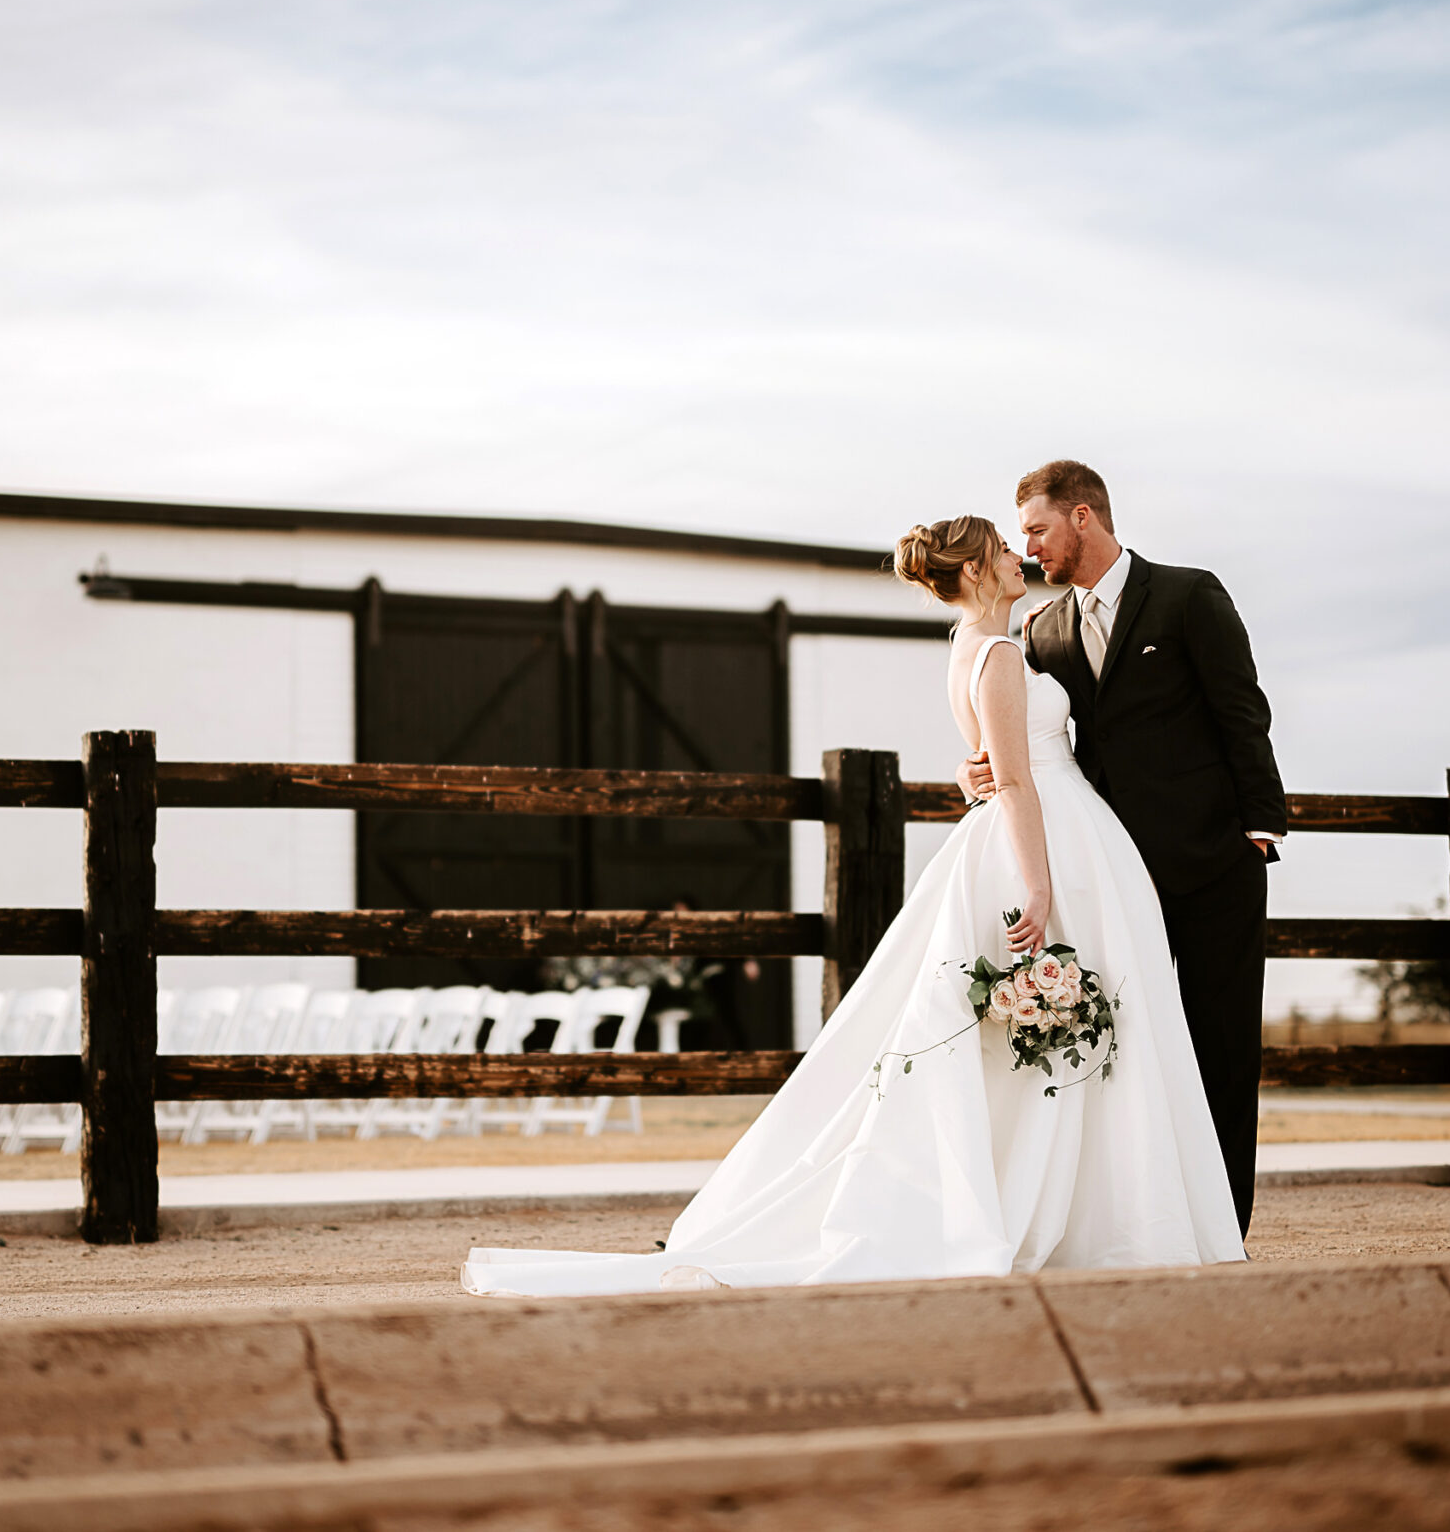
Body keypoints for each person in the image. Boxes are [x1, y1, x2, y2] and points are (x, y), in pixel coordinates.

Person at [462, 514, 1242, 1297]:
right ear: (973, 570)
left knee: (1022, 1041)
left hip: (1026, 836)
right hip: (1043, 845)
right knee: (1062, 1028)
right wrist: (1037, 886)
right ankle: (1081, 1210)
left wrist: (988, 782)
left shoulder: (967, 648)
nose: (1017, 557)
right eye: (1003, 548)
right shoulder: (1001, 652)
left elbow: (990, 762)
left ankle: (1054, 1201)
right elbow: (1013, 779)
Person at [966, 460, 1285, 1232]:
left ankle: (1222, 1226)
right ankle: (1151, 1218)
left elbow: (1242, 710)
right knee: (1134, 1048)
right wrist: (975, 762)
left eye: (1037, 529)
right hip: (1110, 873)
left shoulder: (1187, 594)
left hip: (1214, 863)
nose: (1028, 546)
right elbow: (1026, 735)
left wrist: (1260, 828)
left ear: (1083, 516)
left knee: (1220, 1047)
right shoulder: (1041, 632)